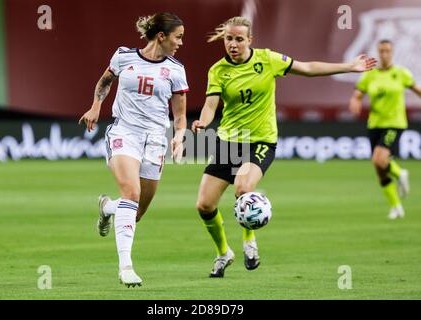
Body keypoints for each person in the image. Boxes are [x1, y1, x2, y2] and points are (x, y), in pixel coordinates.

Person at [191, 16, 377, 278]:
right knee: (204, 205)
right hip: (229, 141)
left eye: (239, 39)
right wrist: (203, 122)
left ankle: (249, 241)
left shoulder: (267, 59)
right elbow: (211, 105)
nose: (233, 44)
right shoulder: (218, 70)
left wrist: (350, 66)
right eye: (229, 39)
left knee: (243, 188)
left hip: (260, 140)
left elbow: (308, 68)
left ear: (250, 40)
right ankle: (223, 252)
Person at [79, 12, 188, 287]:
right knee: (131, 192)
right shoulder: (123, 56)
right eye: (178, 37)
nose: (180, 43)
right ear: (161, 36)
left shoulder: (175, 70)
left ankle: (108, 208)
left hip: (155, 140)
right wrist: (95, 107)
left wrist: (179, 137)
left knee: (135, 211)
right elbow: (105, 82)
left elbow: (179, 112)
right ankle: (126, 267)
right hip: (124, 132)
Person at [349, 39, 421, 219]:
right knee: (379, 168)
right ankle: (396, 206)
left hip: (394, 123)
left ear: (392, 52)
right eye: (381, 51)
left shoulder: (401, 73)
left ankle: (400, 172)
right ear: (378, 52)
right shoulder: (370, 74)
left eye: (388, 51)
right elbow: (358, 94)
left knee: (378, 158)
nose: (384, 54)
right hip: (375, 124)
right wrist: (355, 101)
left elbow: (417, 89)